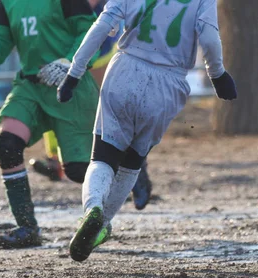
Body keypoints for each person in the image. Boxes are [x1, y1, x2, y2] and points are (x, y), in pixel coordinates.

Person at [57, 0, 237, 261]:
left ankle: (92, 209)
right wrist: (217, 74)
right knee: (132, 163)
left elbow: (102, 25)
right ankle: (102, 223)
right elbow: (209, 37)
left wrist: (74, 73)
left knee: (102, 158)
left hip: (125, 70)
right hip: (168, 82)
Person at [0, 0, 100, 249]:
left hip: (70, 87)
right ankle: (27, 228)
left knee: (79, 171)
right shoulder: (7, 3)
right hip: (30, 86)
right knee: (7, 145)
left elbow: (90, 33)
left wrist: (70, 64)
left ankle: (130, 171)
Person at [29, 0, 154, 211]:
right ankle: (55, 159)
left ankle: (134, 167)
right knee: (58, 100)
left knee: (104, 112)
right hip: (67, 41)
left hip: (95, 36)